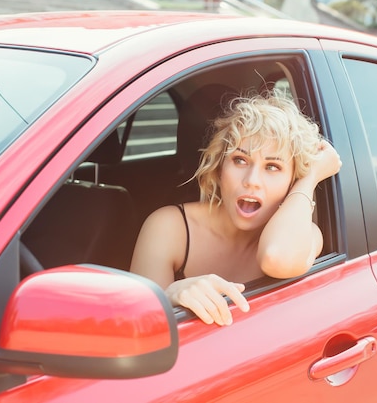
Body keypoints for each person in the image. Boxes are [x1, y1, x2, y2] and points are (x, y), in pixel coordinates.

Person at [130, 90, 341, 326]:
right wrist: (169, 297)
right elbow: (137, 325)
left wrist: (310, 176)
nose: (251, 180)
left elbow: (277, 258)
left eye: (272, 167)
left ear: (292, 182)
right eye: (240, 160)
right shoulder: (168, 226)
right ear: (220, 169)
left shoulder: (303, 236)